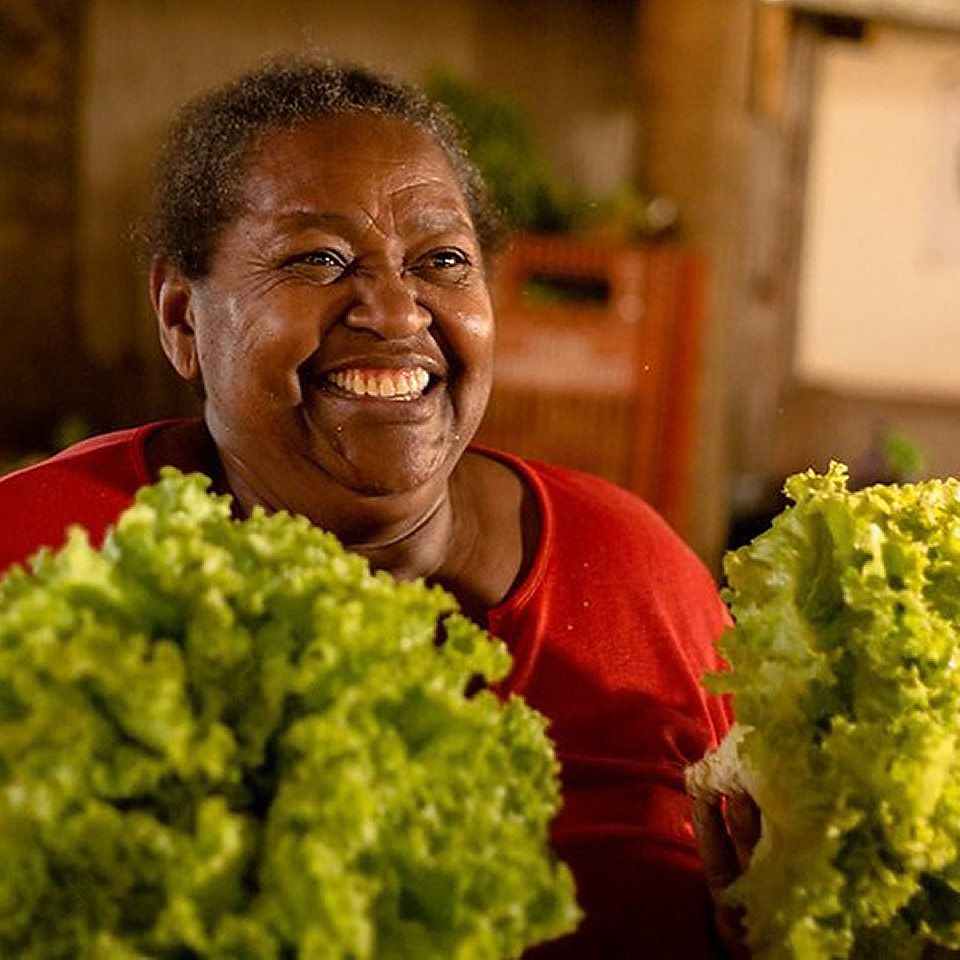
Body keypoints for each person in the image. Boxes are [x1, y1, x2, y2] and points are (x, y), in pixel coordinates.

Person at [0, 59, 736, 958]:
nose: (396, 310)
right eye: (318, 259)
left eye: (443, 262)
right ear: (184, 319)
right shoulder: (39, 561)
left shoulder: (633, 572)